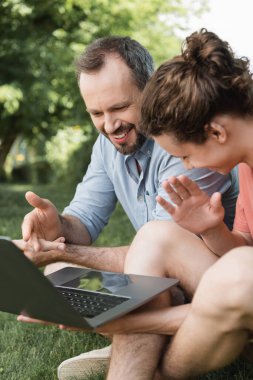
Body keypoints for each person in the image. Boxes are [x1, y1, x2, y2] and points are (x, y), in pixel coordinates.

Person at [19, 35, 239, 379]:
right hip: (164, 278)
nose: (110, 125)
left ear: (149, 90)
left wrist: (61, 252)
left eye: (120, 108)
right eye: (96, 113)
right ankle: (145, 337)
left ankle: (134, 339)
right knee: (59, 276)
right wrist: (57, 229)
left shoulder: (186, 142)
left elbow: (164, 250)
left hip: (200, 274)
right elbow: (84, 221)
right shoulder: (107, 145)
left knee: (147, 246)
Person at [100, 28, 253, 379]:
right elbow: (244, 247)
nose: (187, 167)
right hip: (237, 295)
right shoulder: (245, 165)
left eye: (185, 155)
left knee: (240, 273)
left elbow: (242, 281)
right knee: (157, 235)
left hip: (241, 293)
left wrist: (129, 323)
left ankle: (153, 362)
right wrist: (213, 230)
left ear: (216, 132)